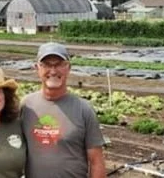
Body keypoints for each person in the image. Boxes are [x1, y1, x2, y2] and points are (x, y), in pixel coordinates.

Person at [20, 42, 107, 178]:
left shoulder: (83, 109)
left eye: (59, 64)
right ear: (37, 68)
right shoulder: (26, 106)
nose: (53, 71)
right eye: (47, 64)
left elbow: (96, 161)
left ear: (68, 68)